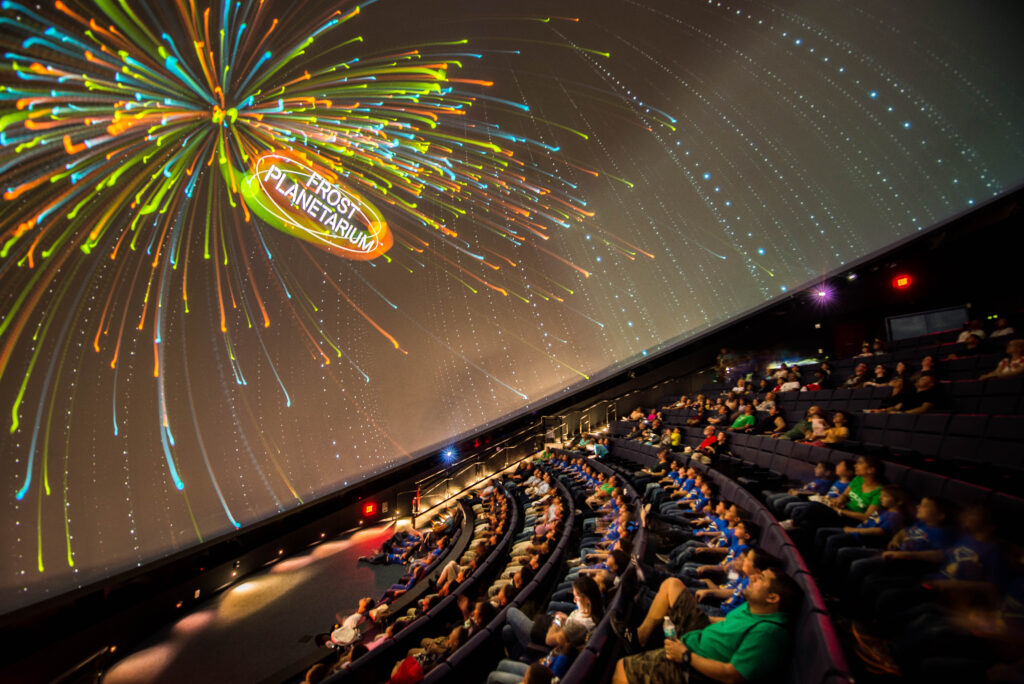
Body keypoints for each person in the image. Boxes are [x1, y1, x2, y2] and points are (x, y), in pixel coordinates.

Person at [611, 568, 798, 684]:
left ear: (772, 598)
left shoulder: (769, 633)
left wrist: (685, 655)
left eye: (762, 579)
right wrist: (688, 614)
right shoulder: (752, 608)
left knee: (622, 669)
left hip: (696, 666)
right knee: (672, 585)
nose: (754, 577)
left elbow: (731, 676)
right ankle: (640, 638)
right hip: (700, 636)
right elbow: (727, 622)